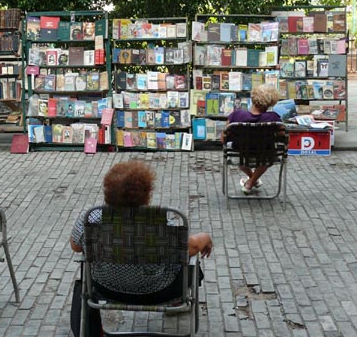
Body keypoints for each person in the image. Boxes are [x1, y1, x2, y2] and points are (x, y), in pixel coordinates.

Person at [69, 161, 212, 301]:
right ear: (147, 193)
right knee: (191, 266)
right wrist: (205, 237)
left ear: (108, 191)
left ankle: (88, 314)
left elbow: (76, 247)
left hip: (104, 288)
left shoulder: (91, 218)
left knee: (87, 259)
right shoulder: (159, 223)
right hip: (157, 291)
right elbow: (192, 247)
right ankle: (177, 304)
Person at [222, 84, 281, 195]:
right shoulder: (273, 118)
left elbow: (223, 138)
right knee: (267, 155)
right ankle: (251, 181)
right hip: (265, 157)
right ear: (271, 102)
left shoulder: (236, 116)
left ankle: (250, 181)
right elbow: (284, 137)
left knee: (237, 151)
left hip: (240, 156)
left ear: (252, 98)